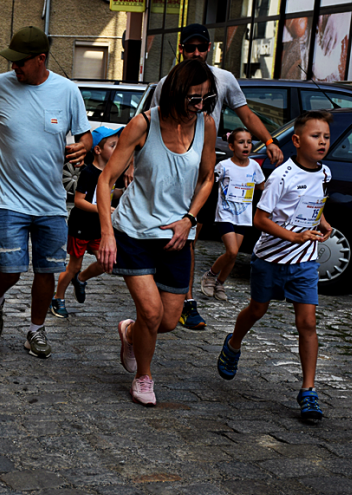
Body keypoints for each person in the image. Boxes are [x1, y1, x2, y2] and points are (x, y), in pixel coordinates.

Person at [96, 59, 217, 406]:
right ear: (176, 93)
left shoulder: (205, 125)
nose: (200, 106)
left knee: (166, 321)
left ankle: (129, 332)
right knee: (150, 312)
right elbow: (106, 180)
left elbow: (207, 178)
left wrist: (189, 219)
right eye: (195, 98)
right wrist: (107, 233)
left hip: (177, 236)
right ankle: (144, 376)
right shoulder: (143, 124)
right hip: (134, 231)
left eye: (206, 99)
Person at [0, 26, 92, 358]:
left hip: (50, 201)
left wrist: (82, 148)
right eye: (12, 62)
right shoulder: (0, 85)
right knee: (11, 267)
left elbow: (85, 136)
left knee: (47, 269)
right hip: (9, 198)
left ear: (40, 59)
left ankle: (35, 331)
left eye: (20, 62)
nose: (14, 68)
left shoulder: (67, 91)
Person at [151, 23, 284, 331]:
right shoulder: (166, 83)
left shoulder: (223, 79)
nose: (196, 52)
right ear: (181, 50)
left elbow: (246, 114)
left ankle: (185, 301)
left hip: (203, 166)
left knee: (190, 233)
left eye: (201, 47)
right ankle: (169, 290)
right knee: (170, 230)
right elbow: (152, 123)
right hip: (171, 165)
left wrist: (269, 141)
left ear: (209, 49)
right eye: (190, 47)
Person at [218, 111, 333, 422]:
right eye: (314, 136)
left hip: (305, 261)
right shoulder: (282, 176)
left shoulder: (325, 174)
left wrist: (323, 223)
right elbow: (260, 219)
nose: (322, 142)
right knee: (257, 309)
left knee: (307, 323)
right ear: (296, 141)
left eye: (325, 136)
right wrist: (294, 235)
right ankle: (234, 343)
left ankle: (308, 391)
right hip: (270, 259)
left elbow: (317, 201)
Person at [51, 126, 120, 319]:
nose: (118, 149)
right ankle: (58, 298)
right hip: (81, 226)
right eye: (113, 145)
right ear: (98, 150)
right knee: (73, 264)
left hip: (99, 227)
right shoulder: (89, 173)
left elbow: (110, 194)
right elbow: (79, 201)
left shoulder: (112, 172)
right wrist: (104, 209)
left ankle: (81, 279)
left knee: (107, 263)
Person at [200, 128, 265, 301]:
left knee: (233, 255)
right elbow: (209, 183)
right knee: (232, 251)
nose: (246, 146)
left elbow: (261, 186)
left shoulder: (254, 167)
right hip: (225, 214)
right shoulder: (224, 166)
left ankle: (220, 283)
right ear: (231, 146)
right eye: (241, 142)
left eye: (249, 142)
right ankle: (210, 275)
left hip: (244, 217)